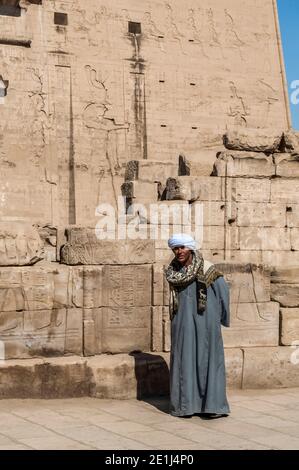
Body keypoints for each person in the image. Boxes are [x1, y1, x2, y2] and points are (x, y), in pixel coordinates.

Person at [165, 233, 230, 418]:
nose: (179, 251)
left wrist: (221, 319)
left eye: (182, 247)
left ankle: (213, 406)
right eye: (176, 248)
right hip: (183, 323)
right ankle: (185, 406)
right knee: (184, 361)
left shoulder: (208, 269)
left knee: (209, 361)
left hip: (206, 322)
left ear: (190, 248)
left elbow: (223, 293)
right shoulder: (172, 272)